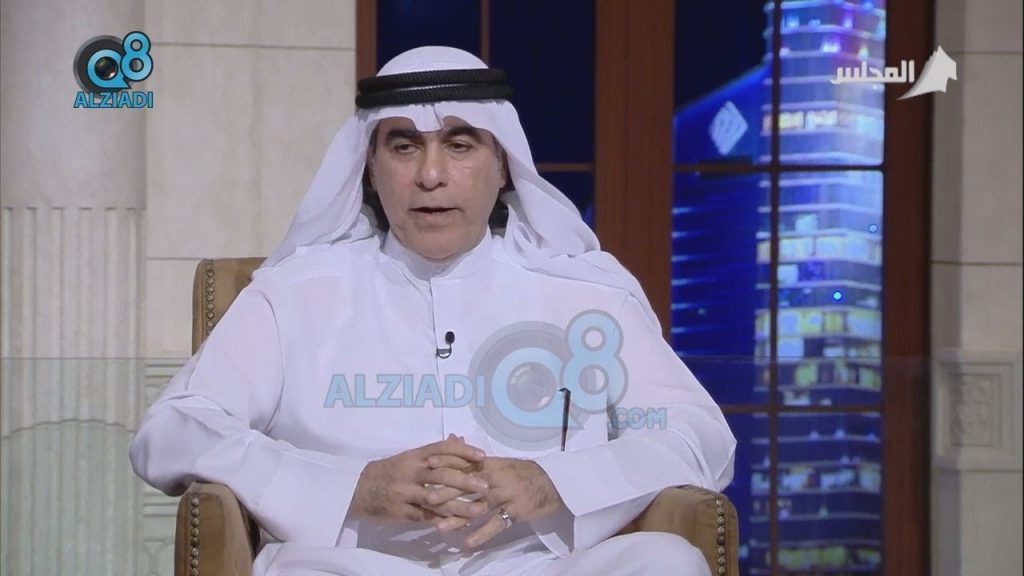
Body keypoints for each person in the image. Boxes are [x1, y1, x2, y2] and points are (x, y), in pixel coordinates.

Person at [130, 46, 736, 576]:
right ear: (371, 167)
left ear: (503, 164)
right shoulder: (293, 294)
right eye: (403, 147)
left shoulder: (583, 294)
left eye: (460, 145)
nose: (431, 175)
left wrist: (556, 484)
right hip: (352, 565)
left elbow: (699, 436)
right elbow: (171, 431)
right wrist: (351, 488)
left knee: (667, 562)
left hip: (536, 566)